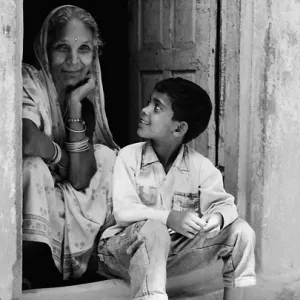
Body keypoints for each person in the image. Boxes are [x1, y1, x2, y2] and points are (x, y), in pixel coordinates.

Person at [97, 78, 256, 300]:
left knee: (241, 231)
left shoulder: (200, 166)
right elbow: (123, 211)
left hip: (170, 255)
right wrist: (169, 217)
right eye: (148, 102)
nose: (145, 110)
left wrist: (216, 220)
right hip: (120, 252)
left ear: (179, 128)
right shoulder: (129, 156)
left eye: (157, 107)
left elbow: (225, 205)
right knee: (155, 230)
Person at [22, 5, 118, 288]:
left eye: (84, 49)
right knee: (32, 167)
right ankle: (32, 270)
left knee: (107, 156)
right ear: (45, 49)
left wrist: (75, 106)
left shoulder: (85, 94)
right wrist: (61, 157)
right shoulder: (31, 80)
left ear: (94, 53)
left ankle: (93, 263)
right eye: (62, 48)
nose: (73, 60)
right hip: (28, 191)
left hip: (61, 192)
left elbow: (80, 177)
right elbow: (27, 138)